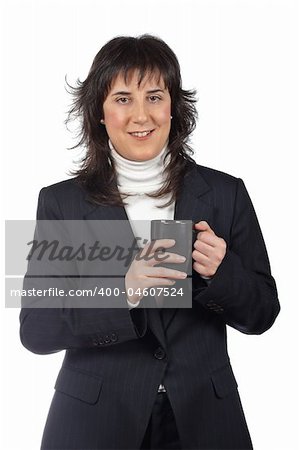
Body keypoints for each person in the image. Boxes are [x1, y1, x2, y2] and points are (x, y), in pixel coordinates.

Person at [19, 34, 280, 450]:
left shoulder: (225, 193)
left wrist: (222, 273)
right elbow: (36, 329)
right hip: (95, 421)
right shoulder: (62, 202)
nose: (141, 115)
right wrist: (123, 291)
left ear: (173, 107)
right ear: (100, 113)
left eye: (154, 96)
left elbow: (264, 312)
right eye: (123, 99)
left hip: (204, 421)